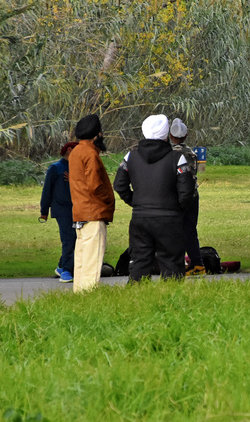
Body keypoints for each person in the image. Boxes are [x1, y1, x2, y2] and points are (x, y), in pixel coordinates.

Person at [113, 114, 195, 282]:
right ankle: (173, 300)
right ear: (166, 134)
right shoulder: (177, 158)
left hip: (140, 218)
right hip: (169, 219)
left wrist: (136, 201)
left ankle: (137, 300)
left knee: (140, 262)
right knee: (172, 263)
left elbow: (119, 185)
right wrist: (176, 208)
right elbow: (186, 192)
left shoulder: (131, 157)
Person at [68, 114, 115, 293]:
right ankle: (88, 297)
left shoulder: (75, 152)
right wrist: (110, 200)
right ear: (96, 136)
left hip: (79, 211)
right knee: (92, 261)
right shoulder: (90, 155)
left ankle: (79, 294)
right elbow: (95, 186)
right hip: (93, 213)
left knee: (81, 260)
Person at [169, 119, 205, 276]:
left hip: (176, 196)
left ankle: (176, 264)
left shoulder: (169, 154)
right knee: (190, 230)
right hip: (192, 195)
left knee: (174, 231)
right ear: (186, 135)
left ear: (170, 135)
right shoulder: (192, 153)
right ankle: (197, 264)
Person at [39, 141, 78, 282]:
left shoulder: (77, 167)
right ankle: (67, 271)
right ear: (69, 150)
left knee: (76, 238)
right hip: (61, 209)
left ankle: (62, 265)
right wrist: (44, 211)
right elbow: (47, 191)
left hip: (77, 208)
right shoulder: (55, 168)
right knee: (68, 239)